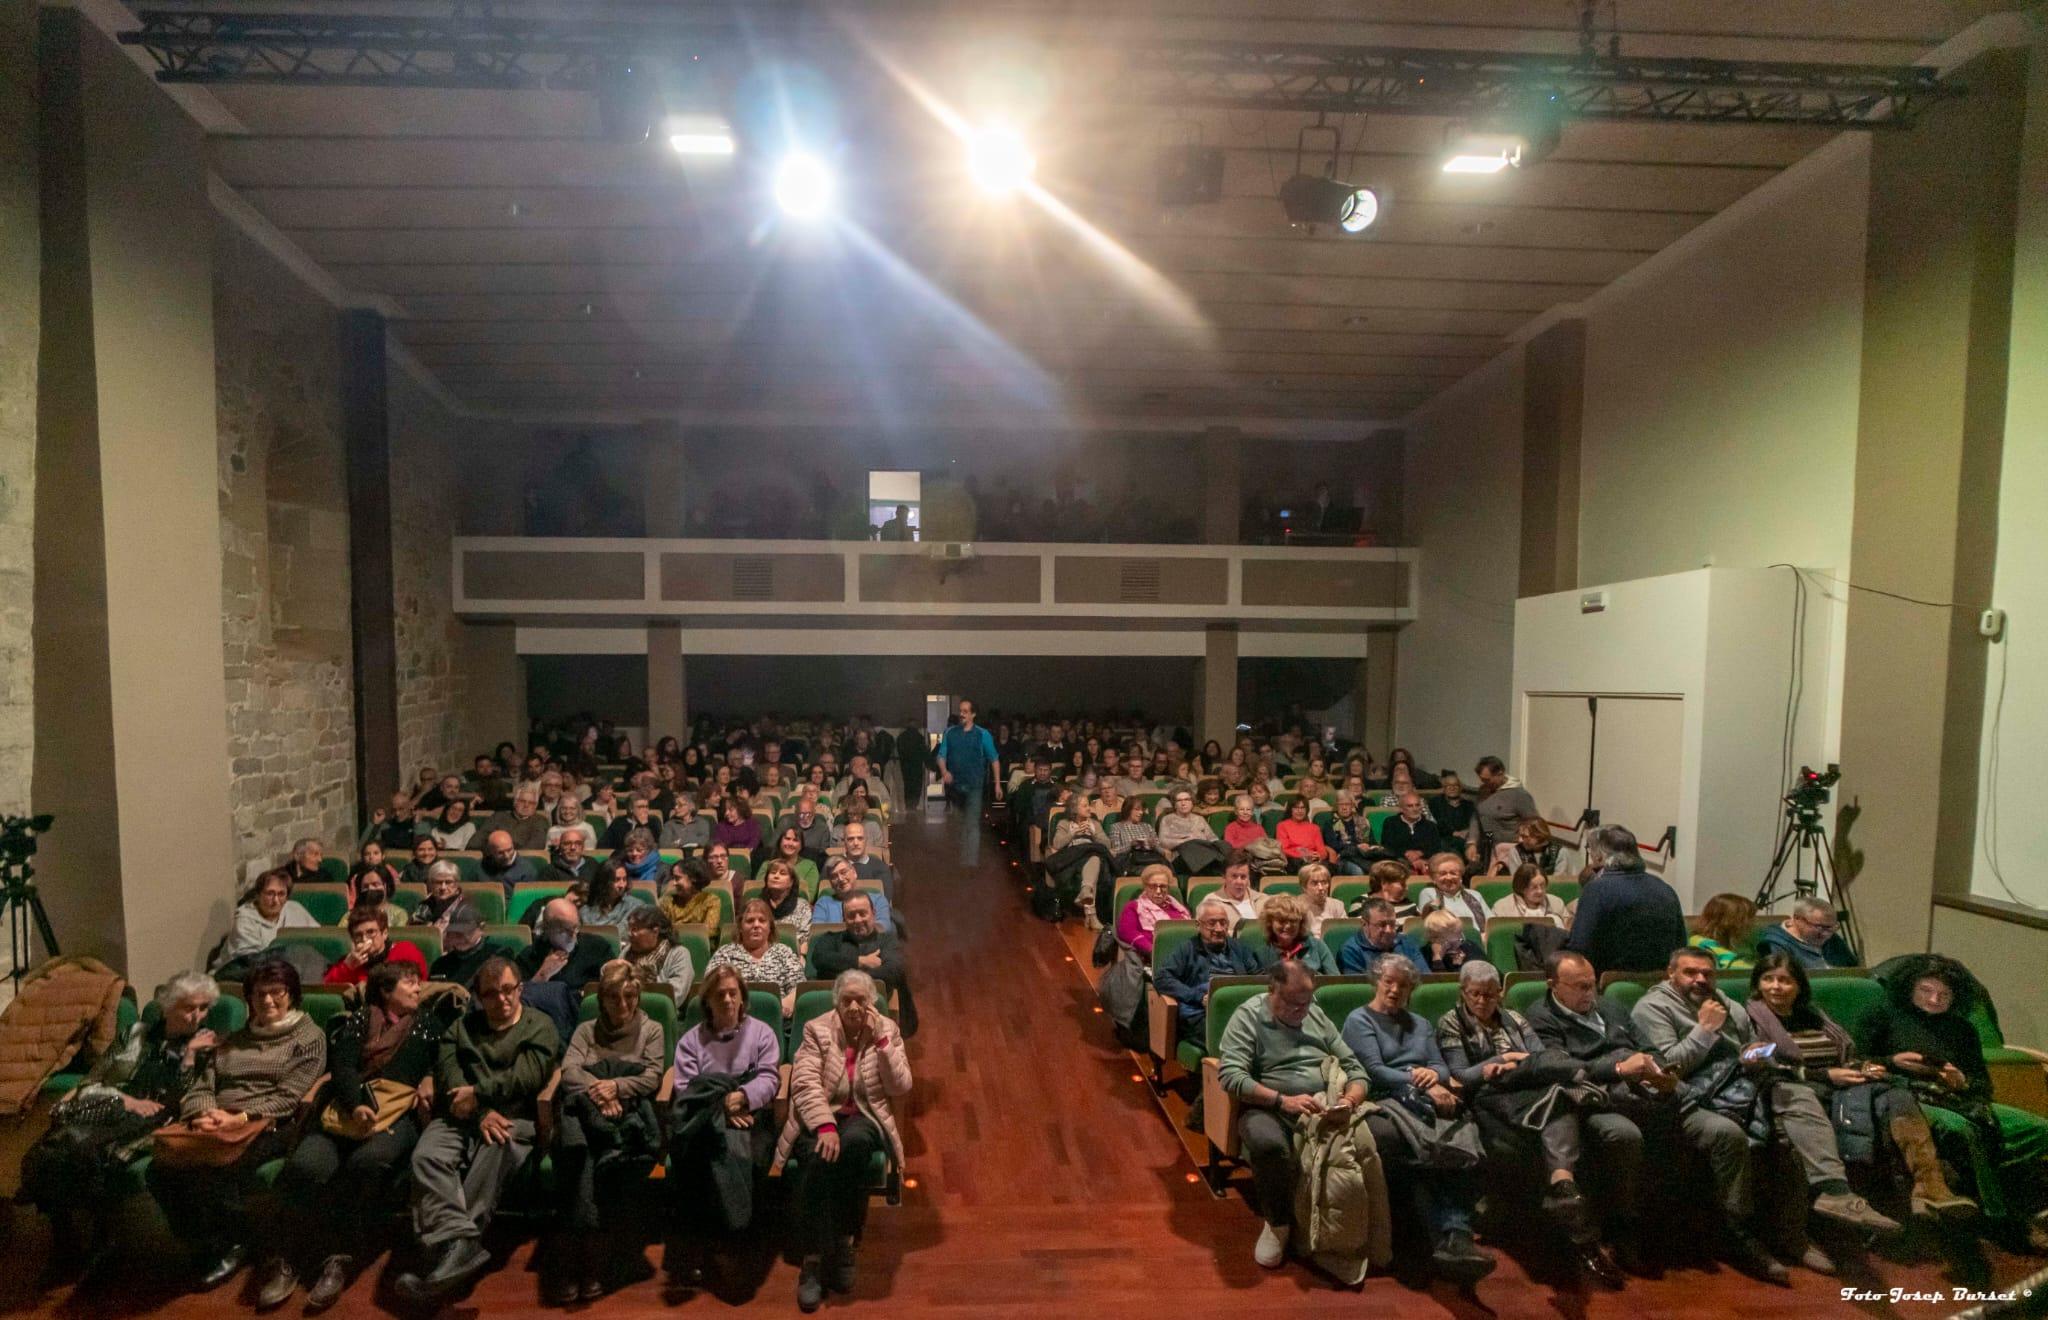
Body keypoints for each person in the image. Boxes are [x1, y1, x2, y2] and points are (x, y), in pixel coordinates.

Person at [1631, 946, 1900, 1282]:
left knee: (1798, 1102)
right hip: (1694, 1095)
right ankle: (1744, 1235)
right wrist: (1704, 1030)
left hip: (1741, 1085)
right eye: (1690, 972)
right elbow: (1668, 1069)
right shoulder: (1653, 1007)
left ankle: (1832, 1195)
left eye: (1707, 973)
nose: (1700, 979)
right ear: (1671, 974)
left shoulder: (1727, 1005)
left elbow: (1747, 1051)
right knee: (1763, 1131)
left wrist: (1755, 1054)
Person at [260, 962, 447, 1311]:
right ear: (386, 992)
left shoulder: (430, 1024)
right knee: (307, 1165)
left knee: (367, 1162)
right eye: (409, 983)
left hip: (397, 1113)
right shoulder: (362, 1019)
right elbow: (343, 1065)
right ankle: (291, 1256)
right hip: (346, 1107)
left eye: (417, 982)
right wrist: (356, 1103)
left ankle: (339, 1256)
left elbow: (443, 1063)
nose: (417, 988)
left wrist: (430, 1079)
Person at [1746, 953, 1974, 1223]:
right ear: (1758, 983)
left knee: (1896, 1093)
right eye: (1768, 979)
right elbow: (1764, 1067)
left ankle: (1930, 1187)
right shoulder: (1752, 1018)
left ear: (1798, 986)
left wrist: (1863, 1068)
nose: (1776, 987)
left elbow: (1848, 1053)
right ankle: (1848, 1192)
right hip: (1798, 1085)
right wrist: (1826, 1075)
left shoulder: (1813, 1015)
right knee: (1869, 1099)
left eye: (1785, 980)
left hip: (1842, 1079)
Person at [22, 972, 220, 1281]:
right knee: (51, 1151)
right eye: (189, 1007)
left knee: (88, 1152)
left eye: (204, 1008)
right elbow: (95, 1078)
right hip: (110, 1106)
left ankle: (100, 1241)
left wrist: (190, 1056)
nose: (197, 1016)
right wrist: (124, 1100)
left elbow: (182, 1099)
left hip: (156, 1118)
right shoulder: (135, 1034)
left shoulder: (206, 1045)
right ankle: (66, 1242)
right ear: (169, 1006)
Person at [147, 961, 326, 1291]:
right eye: (259, 994)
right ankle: (206, 1243)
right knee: (160, 1169)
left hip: (271, 1124)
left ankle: (234, 1243)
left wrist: (238, 1117)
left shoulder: (308, 1037)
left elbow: (289, 1097)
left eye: (277, 992)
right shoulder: (234, 1039)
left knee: (216, 1169)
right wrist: (204, 1113)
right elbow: (203, 1084)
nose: (267, 1001)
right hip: (217, 1121)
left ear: (292, 994)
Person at [397, 957, 560, 1304]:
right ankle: (462, 1246)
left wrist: (478, 1095)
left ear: (520, 989)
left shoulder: (539, 1026)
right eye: (491, 994)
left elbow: (526, 1078)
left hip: (514, 1117)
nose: (502, 999)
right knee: (427, 1156)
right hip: (462, 1115)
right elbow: (449, 1077)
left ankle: (443, 1261)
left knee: (497, 1144)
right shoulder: (460, 1029)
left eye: (508, 990)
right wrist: (479, 1110)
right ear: (479, 997)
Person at [1214, 960, 1388, 1280]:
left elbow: (1355, 1068)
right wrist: (1283, 1100)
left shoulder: (1315, 1015)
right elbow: (1231, 1076)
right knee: (1267, 1144)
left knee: (1385, 1134)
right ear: (1272, 991)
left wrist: (1349, 1101)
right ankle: (1278, 1223)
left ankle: (1369, 1228)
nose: (1301, 1011)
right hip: (1269, 1104)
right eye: (1293, 1003)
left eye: (1306, 1002)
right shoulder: (1248, 1016)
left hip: (1325, 1104)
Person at [1862, 955, 2048, 1250]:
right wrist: (1893, 1061)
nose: (1934, 1000)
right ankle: (2001, 1220)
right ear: (1910, 987)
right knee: (1962, 1130)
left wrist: (1961, 1081)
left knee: (2040, 1129)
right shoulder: (1883, 1016)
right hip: (1906, 1097)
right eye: (1926, 990)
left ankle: (2027, 1200)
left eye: (1944, 995)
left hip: (1958, 1098)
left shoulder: (1962, 1029)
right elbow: (1858, 1063)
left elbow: (1982, 1085)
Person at [1516, 951, 1678, 1280]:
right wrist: (1618, 1068)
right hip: (1590, 1099)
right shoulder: (1541, 1017)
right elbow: (1561, 1067)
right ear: (1553, 985)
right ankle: (1622, 1230)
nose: (1590, 993)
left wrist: (1660, 1070)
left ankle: (1667, 1224)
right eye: (1580, 987)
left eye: (1592, 985)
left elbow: (1648, 1047)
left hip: (1641, 1089)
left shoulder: (1611, 1006)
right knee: (1624, 1135)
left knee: (1683, 1121)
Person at [1340, 956, 1497, 1283]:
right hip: (1384, 1095)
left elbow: (1440, 1067)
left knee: (1460, 1125)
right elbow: (1375, 1071)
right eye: (1388, 982)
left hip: (1423, 1093)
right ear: (1377, 982)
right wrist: (1420, 1079)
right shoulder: (1360, 1020)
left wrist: (1433, 1076)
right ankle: (1449, 1234)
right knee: (1429, 1142)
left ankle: (1455, 1235)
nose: (1394, 990)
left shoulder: (1420, 1023)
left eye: (1403, 985)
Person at [775, 969, 911, 1312]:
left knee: (855, 1147)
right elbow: (804, 1082)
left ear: (871, 1003)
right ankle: (822, 1254)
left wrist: (882, 1043)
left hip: (863, 1115)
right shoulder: (816, 1029)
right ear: (836, 1002)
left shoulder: (887, 1030)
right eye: (847, 1000)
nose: (853, 1007)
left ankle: (838, 1244)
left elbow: (900, 1085)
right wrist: (824, 1125)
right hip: (820, 1116)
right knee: (818, 1156)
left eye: (860, 1000)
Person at [550, 961, 666, 1303]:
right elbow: (569, 1072)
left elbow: (652, 1077)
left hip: (627, 1121)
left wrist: (615, 1087)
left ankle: (587, 1259)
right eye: (614, 997)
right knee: (580, 1157)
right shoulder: (587, 1030)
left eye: (630, 996)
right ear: (602, 999)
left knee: (593, 1161)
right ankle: (587, 1257)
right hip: (587, 1114)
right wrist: (600, 1092)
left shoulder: (651, 1030)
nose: (623, 1004)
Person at [666, 966, 782, 1292]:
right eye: (720, 995)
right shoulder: (691, 1041)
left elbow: (769, 1077)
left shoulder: (761, 1033)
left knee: (749, 1155)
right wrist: (721, 1109)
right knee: (700, 1155)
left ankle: (739, 1238)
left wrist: (741, 1097)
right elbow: (687, 1087)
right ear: (708, 1002)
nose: (728, 1000)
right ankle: (709, 1242)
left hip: (750, 1112)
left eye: (734, 993)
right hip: (706, 1115)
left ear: (743, 998)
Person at [1564, 826, 1686, 974]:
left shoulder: (1597, 890)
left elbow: (1580, 947)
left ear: (1599, 857)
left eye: (1590, 850)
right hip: (1660, 979)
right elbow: (1680, 944)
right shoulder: (1665, 888)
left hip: (1608, 980)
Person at [809, 891, 918, 1038]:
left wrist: (839, 971)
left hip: (876, 1017)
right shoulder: (830, 939)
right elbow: (820, 959)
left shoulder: (887, 941)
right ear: (844, 918)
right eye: (851, 915)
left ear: (873, 913)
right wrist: (859, 961)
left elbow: (893, 971)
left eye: (862, 913)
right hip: (831, 1019)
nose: (858, 920)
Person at [1154, 896, 1260, 1046]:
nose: (1219, 929)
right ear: (1198, 925)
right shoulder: (1187, 949)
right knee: (1232, 1041)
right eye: (1212, 923)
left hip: (1238, 1008)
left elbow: (1258, 976)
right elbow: (1162, 979)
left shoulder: (1238, 948)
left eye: (1223, 923)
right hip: (1203, 1012)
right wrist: (1198, 996)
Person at [707, 898, 805, 1017]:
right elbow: (711, 988)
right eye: (750, 921)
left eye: (762, 920)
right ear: (740, 927)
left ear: (770, 927)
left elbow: (799, 988)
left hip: (778, 1019)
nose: (756, 925)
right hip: (734, 1018)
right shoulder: (725, 953)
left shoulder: (784, 952)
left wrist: (779, 1008)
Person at [937, 698, 1002, 866]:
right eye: (960, 711)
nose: (962, 714)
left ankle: (970, 862)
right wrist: (944, 771)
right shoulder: (950, 733)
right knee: (959, 824)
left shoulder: (982, 734)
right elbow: (941, 755)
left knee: (972, 823)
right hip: (956, 786)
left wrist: (997, 784)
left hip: (974, 785)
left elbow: (994, 759)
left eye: (965, 711)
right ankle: (962, 859)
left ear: (973, 714)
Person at [214, 869, 317, 970]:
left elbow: (317, 938)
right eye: (270, 894)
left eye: (281, 894)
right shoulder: (245, 919)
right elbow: (251, 960)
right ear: (258, 895)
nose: (276, 900)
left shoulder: (294, 909)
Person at [323, 904, 429, 987]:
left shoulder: (405, 952)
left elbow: (420, 986)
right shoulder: (350, 963)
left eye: (371, 932)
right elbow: (328, 991)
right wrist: (347, 966)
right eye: (358, 935)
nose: (364, 939)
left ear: (384, 933)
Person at [1753, 896, 1856, 970]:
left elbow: (1855, 969)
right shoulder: (1775, 944)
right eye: (1819, 927)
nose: (1825, 934)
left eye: (1831, 927)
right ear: (1797, 919)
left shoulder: (1832, 937)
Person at [1113, 864, 1189, 962]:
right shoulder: (1134, 907)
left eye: (1163, 886)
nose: (1158, 891)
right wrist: (1153, 950)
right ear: (1145, 887)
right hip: (1151, 959)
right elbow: (1127, 933)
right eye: (1153, 886)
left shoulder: (1178, 908)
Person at [428, 903, 514, 988]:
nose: (458, 938)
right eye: (454, 932)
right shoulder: (440, 965)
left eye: (465, 932)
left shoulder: (498, 956)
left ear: (481, 928)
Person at [1472, 757, 1539, 865]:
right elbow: (1476, 817)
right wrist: (1472, 843)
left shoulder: (1519, 795)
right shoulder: (1483, 791)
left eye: (1487, 780)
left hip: (1510, 852)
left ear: (1500, 773)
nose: (1484, 783)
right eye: (1482, 779)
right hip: (1487, 848)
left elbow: (1532, 823)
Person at [1337, 898, 1430, 975]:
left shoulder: (1407, 943)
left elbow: (1425, 979)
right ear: (1364, 924)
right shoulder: (1351, 950)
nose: (1388, 930)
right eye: (1382, 925)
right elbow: (1358, 988)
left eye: (1392, 924)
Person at [1251, 894, 1337, 975]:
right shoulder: (1261, 954)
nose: (1288, 926)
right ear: (1270, 923)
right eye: (1282, 921)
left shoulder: (1317, 946)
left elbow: (1335, 980)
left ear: (1301, 923)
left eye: (1293, 921)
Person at [623, 904, 694, 1000]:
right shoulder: (628, 951)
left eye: (635, 929)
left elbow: (675, 994)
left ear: (655, 931)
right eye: (629, 929)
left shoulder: (679, 954)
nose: (629, 934)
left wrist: (645, 981)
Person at [1158, 789, 1227, 876]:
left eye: (1187, 799)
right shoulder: (1168, 819)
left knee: (1224, 845)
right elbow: (1163, 842)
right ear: (1175, 805)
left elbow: (1213, 838)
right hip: (1181, 856)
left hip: (1203, 852)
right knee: (1193, 846)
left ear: (1192, 803)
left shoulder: (1199, 819)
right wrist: (1188, 840)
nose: (1183, 803)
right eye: (1179, 800)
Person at [812, 856, 892, 930]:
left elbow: (883, 929)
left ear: (854, 872)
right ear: (830, 882)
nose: (840, 879)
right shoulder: (823, 903)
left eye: (843, 872)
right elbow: (817, 933)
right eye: (834, 876)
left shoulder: (878, 900)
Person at [1413, 852, 1489, 929]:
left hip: (1479, 935)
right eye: (1443, 874)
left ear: (1461, 877)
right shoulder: (1429, 893)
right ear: (1434, 878)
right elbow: (1429, 924)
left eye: (1453, 873)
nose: (1448, 877)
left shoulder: (1475, 895)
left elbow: (1490, 923)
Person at [1688, 892, 1759, 969]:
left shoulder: (1743, 945)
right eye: (1748, 919)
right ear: (1730, 921)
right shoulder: (1702, 945)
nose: (1753, 923)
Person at [575, 858, 649, 929]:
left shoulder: (635, 906)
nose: (622, 885)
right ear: (603, 882)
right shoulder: (585, 910)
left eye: (624, 879)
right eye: (617, 880)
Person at [658, 857, 723, 933]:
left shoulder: (711, 900)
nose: (674, 883)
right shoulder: (667, 901)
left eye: (677, 878)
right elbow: (661, 931)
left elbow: (709, 931)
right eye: (673, 878)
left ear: (693, 878)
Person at [758, 858, 814, 947]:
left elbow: (804, 940)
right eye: (773, 872)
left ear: (791, 882)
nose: (776, 876)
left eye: (783, 873)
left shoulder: (802, 906)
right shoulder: (756, 906)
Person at [1379, 793, 1442, 872]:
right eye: (1410, 806)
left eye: (1417, 805)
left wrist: (1419, 853)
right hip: (1398, 861)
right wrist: (1406, 853)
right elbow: (1387, 845)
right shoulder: (1390, 823)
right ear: (1401, 809)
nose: (1415, 809)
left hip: (1425, 861)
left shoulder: (1430, 825)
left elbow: (1436, 847)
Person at [1491, 863, 1567, 925]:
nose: (1540, 891)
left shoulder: (1557, 904)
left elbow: (1568, 930)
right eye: (1534, 887)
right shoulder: (1502, 908)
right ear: (1521, 887)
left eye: (1542, 885)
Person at [1428, 772, 1479, 863]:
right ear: (1444, 788)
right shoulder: (1435, 803)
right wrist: (1453, 833)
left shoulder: (1469, 804)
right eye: (1449, 786)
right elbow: (1434, 823)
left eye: (1455, 785)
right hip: (1445, 838)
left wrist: (1467, 831)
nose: (1452, 788)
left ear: (1460, 788)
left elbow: (1474, 822)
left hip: (1466, 837)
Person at [481, 787, 550, 852]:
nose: (526, 805)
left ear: (535, 806)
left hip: (523, 858)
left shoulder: (541, 821)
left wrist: (510, 854)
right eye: (522, 801)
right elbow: (478, 840)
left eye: (531, 803)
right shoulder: (498, 817)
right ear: (515, 802)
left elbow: (536, 845)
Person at [1419, 909, 1488, 974]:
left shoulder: (1469, 947)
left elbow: (1485, 975)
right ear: (1437, 938)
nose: (1460, 937)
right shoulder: (1424, 954)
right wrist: (1437, 959)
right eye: (1454, 932)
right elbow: (1436, 981)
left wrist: (1458, 966)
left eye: (1460, 932)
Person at [478, 828, 538, 902]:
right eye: (500, 853)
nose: (506, 856)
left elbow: (527, 901)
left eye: (509, 850)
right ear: (490, 851)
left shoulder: (527, 870)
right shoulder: (479, 866)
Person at [1490, 817, 1563, 876]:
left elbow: (1560, 880)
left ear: (1539, 836)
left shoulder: (1560, 852)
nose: (1520, 840)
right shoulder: (1516, 851)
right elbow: (1517, 880)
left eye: (1525, 836)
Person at [1274, 795, 1333, 866]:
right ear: (1290, 810)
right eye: (1296, 808)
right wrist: (1303, 855)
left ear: (1306, 810)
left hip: (1313, 860)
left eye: (1302, 808)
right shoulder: (1282, 826)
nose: (1300, 811)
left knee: (1328, 866)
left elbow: (1322, 851)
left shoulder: (1314, 828)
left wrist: (1318, 855)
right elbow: (1283, 849)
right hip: (1293, 860)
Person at [409, 860, 466, 930]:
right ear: (430, 884)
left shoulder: (464, 906)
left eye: (448, 882)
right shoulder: (426, 905)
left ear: (457, 884)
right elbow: (412, 929)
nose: (443, 887)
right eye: (438, 882)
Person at [1296, 863, 1346, 938]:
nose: (1321, 888)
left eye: (1324, 882)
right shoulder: (1296, 907)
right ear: (1304, 887)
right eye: (1315, 883)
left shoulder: (1337, 905)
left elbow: (1344, 933)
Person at [1211, 853, 1263, 924]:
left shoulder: (1263, 901)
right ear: (1224, 877)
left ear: (1249, 878)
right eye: (1234, 876)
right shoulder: (1211, 903)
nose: (1239, 882)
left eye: (1243, 877)